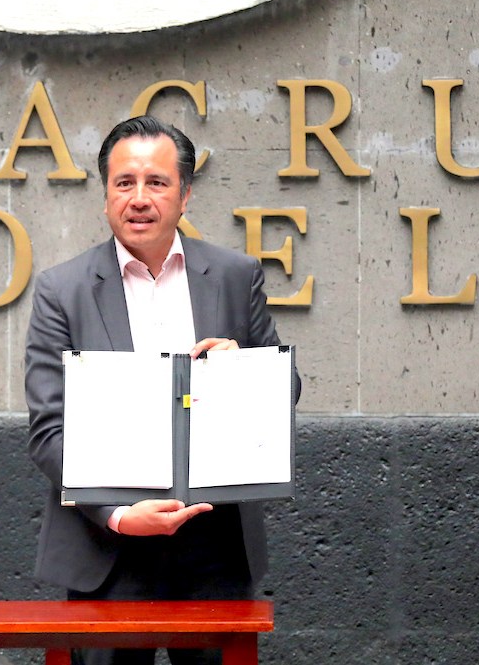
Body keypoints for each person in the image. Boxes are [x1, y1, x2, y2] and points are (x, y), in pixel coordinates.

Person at [25, 116, 301, 665]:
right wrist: (119, 514)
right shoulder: (62, 290)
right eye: (124, 183)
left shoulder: (235, 275)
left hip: (214, 547)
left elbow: (283, 389)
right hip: (107, 550)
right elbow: (49, 431)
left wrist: (240, 369)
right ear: (105, 194)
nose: (139, 198)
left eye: (157, 182)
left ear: (185, 194)